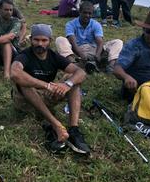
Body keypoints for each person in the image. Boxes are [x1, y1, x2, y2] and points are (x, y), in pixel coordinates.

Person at [10, 24, 90, 154]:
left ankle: (74, 130)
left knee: (72, 79)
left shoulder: (54, 56)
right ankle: (55, 124)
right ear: (31, 40)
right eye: (36, 40)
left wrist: (66, 84)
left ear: (50, 41)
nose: (40, 43)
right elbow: (15, 73)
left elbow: (81, 72)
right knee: (24, 82)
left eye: (44, 40)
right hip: (26, 102)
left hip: (47, 96)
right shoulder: (24, 55)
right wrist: (46, 85)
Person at [56, 1, 123, 73]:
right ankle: (73, 63)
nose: (87, 15)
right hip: (76, 50)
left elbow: (100, 42)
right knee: (60, 39)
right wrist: (81, 54)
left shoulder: (96, 24)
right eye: (85, 13)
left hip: (94, 50)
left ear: (92, 14)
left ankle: (111, 66)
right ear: (80, 12)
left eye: (90, 13)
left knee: (118, 42)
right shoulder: (70, 24)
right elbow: (72, 41)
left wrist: (97, 55)